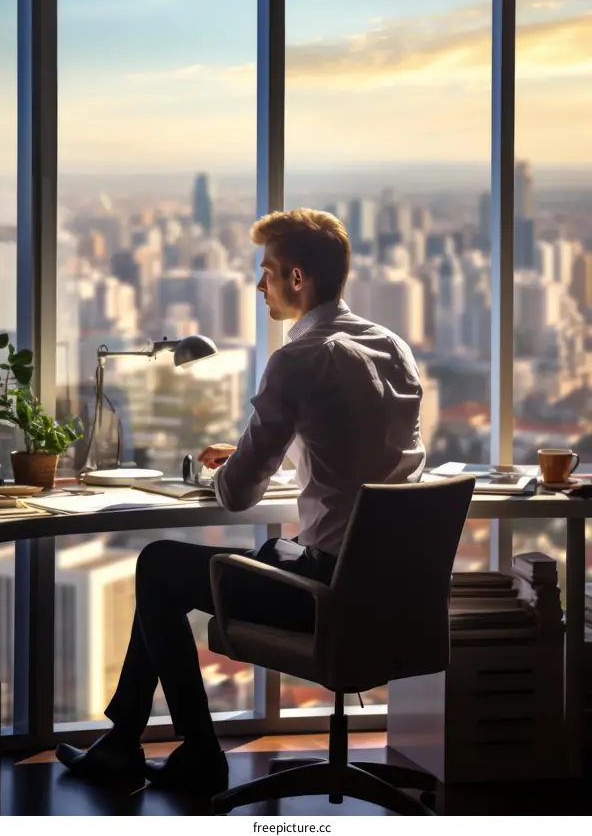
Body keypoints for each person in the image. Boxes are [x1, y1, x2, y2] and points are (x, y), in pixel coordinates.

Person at [56, 208, 425, 795]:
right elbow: (360, 453)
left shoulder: (297, 360)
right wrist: (277, 443)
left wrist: (240, 460)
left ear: (296, 278)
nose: (259, 286)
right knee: (222, 561)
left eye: (267, 272)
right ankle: (123, 742)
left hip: (324, 597)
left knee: (157, 565)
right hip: (390, 596)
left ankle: (198, 752)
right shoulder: (392, 349)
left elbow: (234, 496)